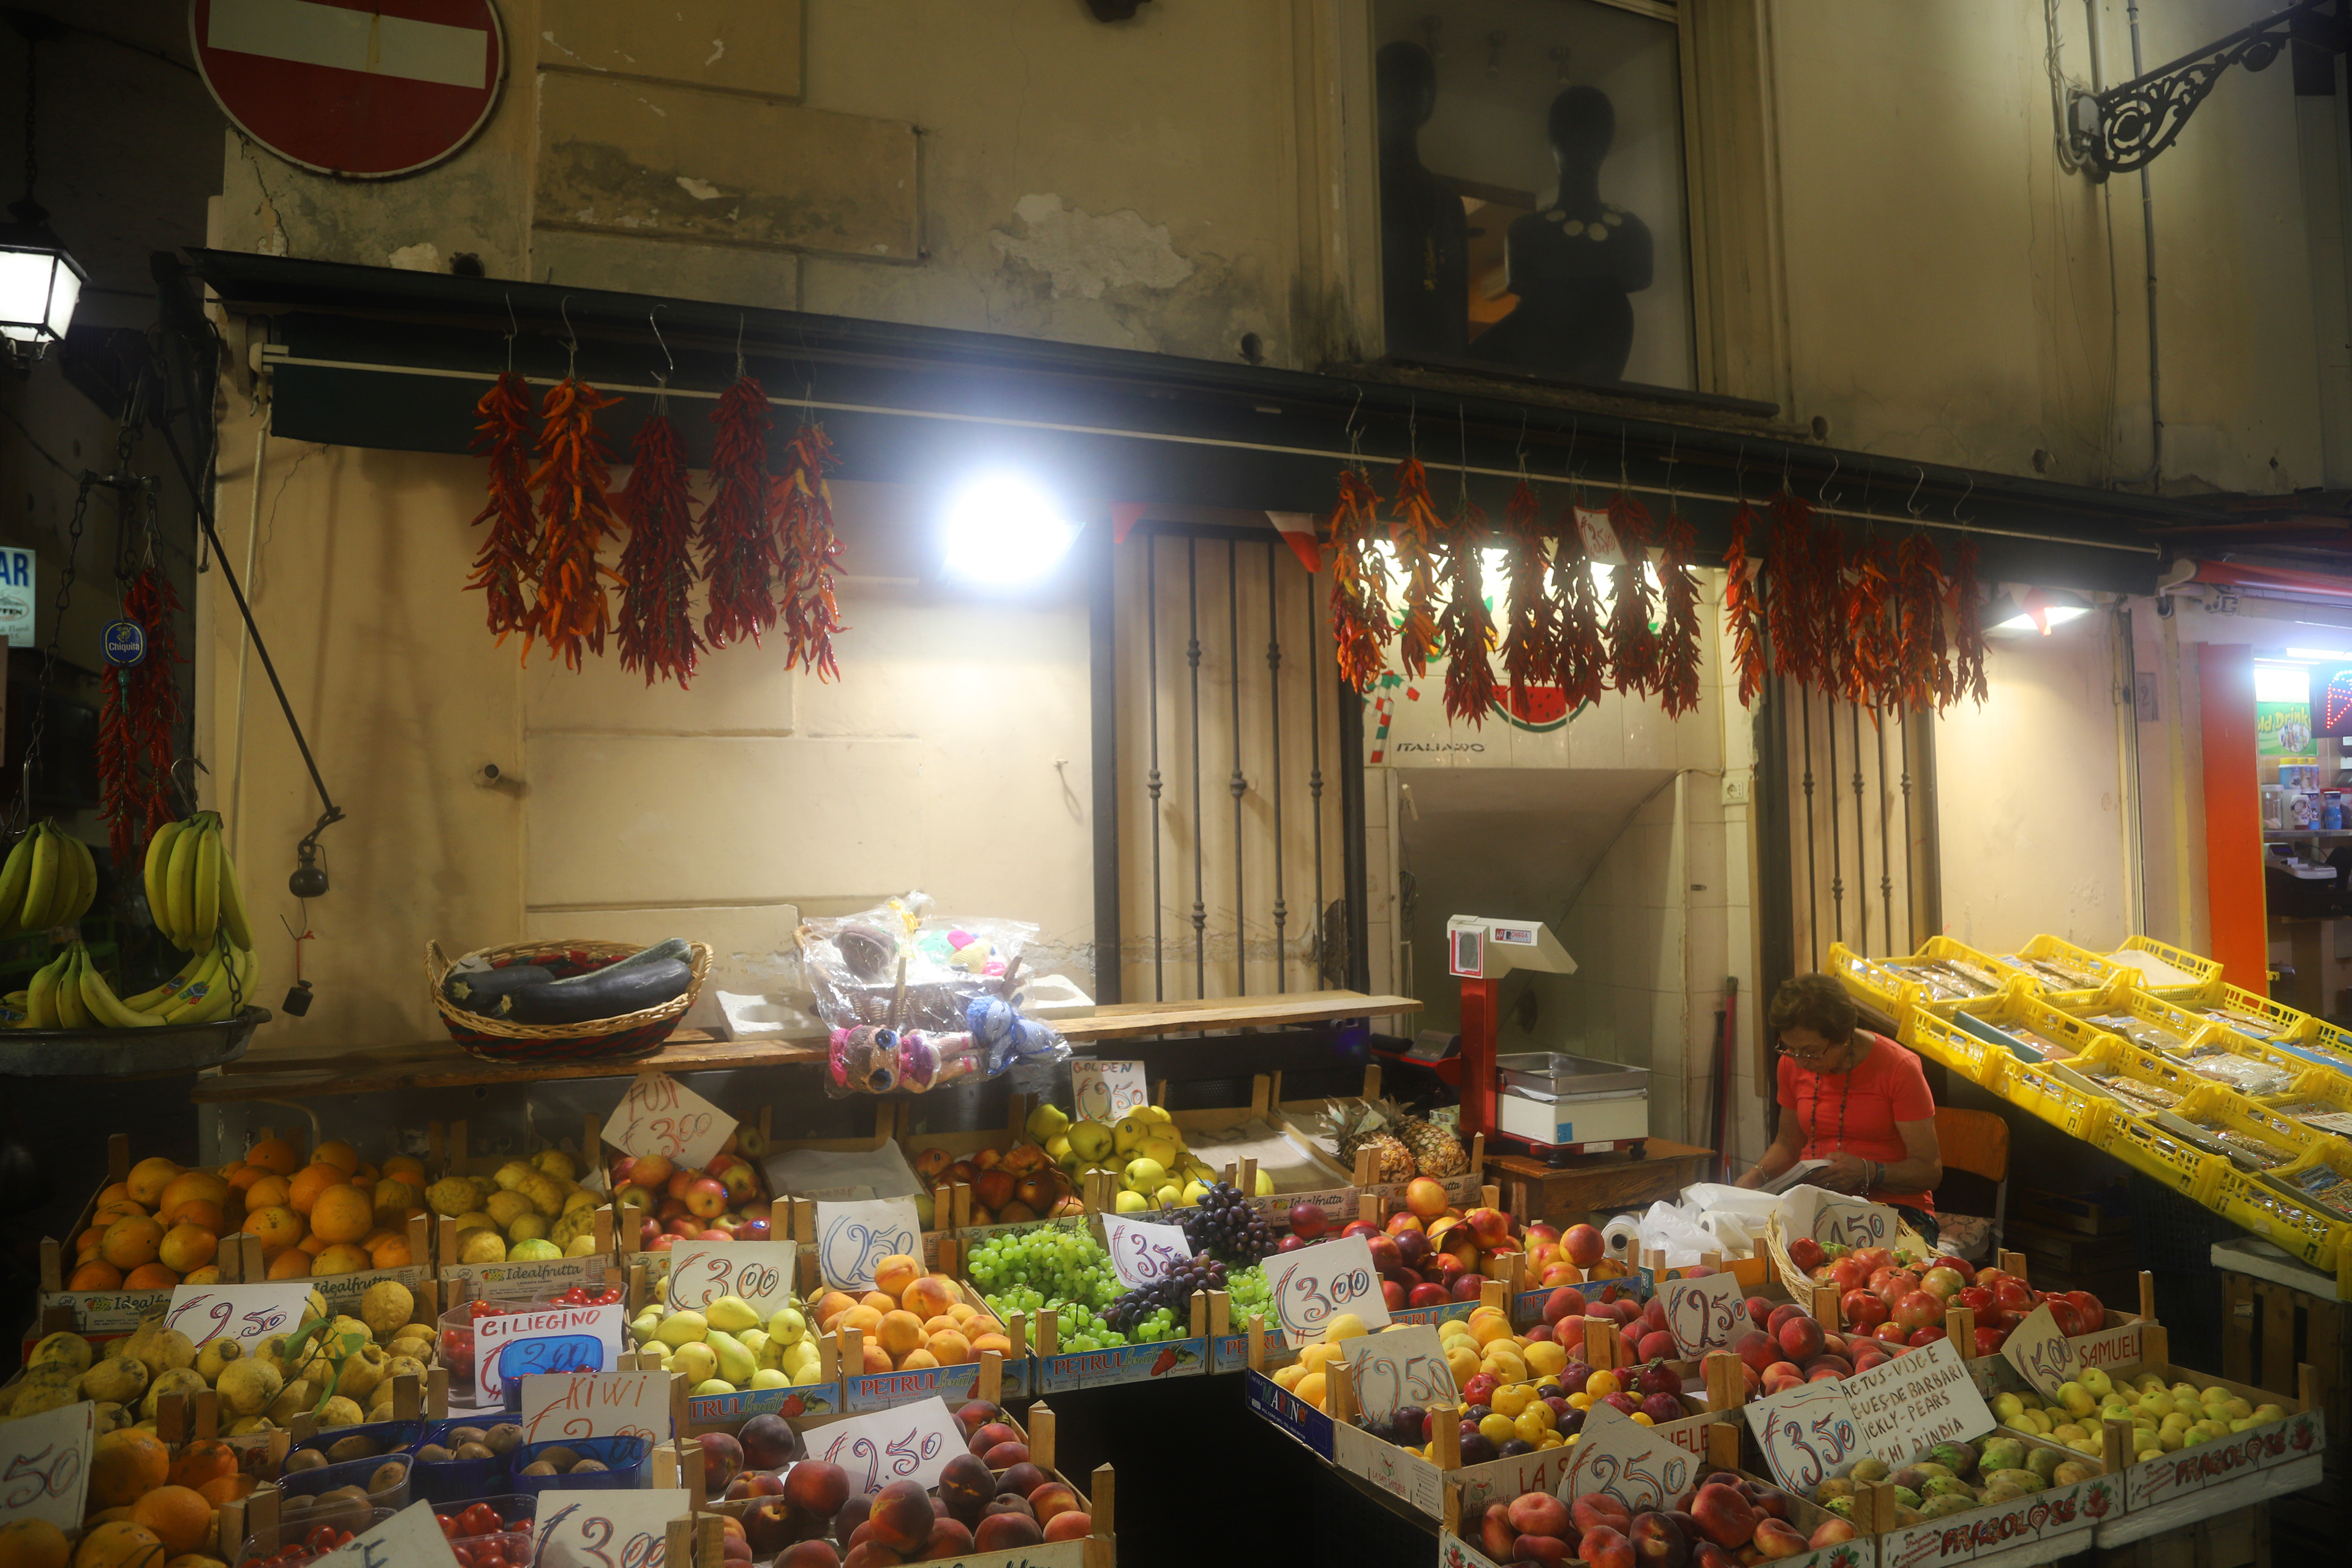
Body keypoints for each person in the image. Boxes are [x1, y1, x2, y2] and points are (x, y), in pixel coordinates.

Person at [1735, 973, 1945, 1244]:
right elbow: (1787, 1144)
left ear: (1844, 1037)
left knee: (1853, 1269)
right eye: (1789, 1049)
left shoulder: (1899, 1068)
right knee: (1751, 1247)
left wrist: (1868, 1171)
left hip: (1895, 1209)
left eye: (1811, 1051)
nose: (1799, 1063)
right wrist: (1754, 1178)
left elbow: (1929, 1171)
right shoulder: (1792, 1064)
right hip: (1817, 1204)